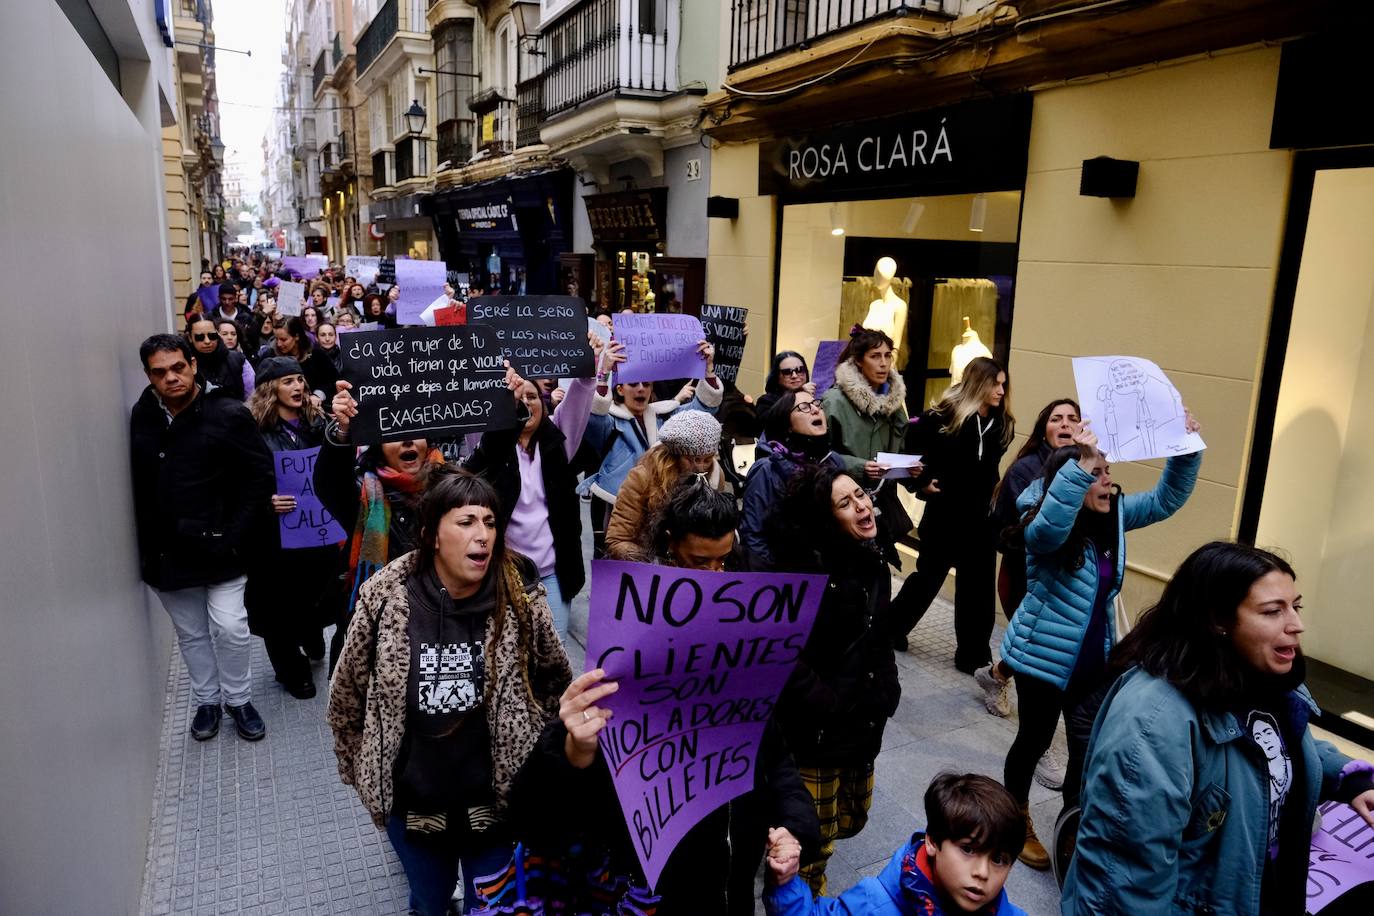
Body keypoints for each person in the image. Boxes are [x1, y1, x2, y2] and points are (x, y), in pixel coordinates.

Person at [495, 480, 820, 915]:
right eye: (699, 562)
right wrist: (572, 751)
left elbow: (775, 758)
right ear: (669, 548)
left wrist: (794, 829)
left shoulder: (740, 654)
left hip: (729, 893)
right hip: (647, 898)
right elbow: (532, 817)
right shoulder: (624, 658)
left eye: (724, 561)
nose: (714, 577)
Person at [1062, 542, 1374, 915]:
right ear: (1217, 620)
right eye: (1273, 611)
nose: (1296, 624)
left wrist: (1349, 778)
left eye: (1296, 606)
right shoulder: (1152, 723)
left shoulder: (1264, 676)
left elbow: (1272, 745)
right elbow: (1123, 891)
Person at [327, 469, 573, 916]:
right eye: (466, 522)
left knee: (493, 906)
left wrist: (537, 762)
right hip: (415, 811)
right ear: (432, 536)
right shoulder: (384, 599)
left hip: (495, 810)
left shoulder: (521, 602)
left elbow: (557, 683)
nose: (483, 535)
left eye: (491, 522)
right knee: (429, 902)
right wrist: (366, 774)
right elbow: (346, 698)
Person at [995, 419, 1201, 869]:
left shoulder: (1116, 518)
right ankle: (1016, 819)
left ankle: (1073, 826)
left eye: (1108, 470)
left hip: (1095, 664)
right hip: (1042, 659)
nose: (1108, 479)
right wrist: (1083, 465)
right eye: (1098, 473)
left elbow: (1167, 499)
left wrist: (1184, 445)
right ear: (1072, 480)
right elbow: (1048, 531)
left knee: (1086, 754)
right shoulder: (1042, 518)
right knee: (1033, 741)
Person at [130, 334, 273, 741]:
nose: (171, 378)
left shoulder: (227, 412)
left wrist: (234, 536)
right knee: (191, 634)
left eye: (178, 367)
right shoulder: (144, 414)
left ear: (193, 364)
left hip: (222, 547)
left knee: (230, 627)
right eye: (160, 372)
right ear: (149, 376)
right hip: (169, 553)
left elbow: (259, 477)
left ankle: (239, 699)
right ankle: (208, 702)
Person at [767, 465, 902, 894]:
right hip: (816, 736)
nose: (863, 506)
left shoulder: (873, 559)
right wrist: (828, 701)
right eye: (846, 503)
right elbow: (783, 655)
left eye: (861, 495)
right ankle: (803, 895)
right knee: (813, 843)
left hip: (862, 726)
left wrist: (887, 690)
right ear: (825, 519)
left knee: (852, 819)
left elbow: (878, 635)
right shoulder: (797, 573)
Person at [461, 341, 620, 638]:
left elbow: (582, 394)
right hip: (501, 575)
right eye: (520, 398)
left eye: (533, 397)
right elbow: (477, 419)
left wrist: (590, 364)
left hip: (552, 575)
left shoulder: (559, 444)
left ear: (545, 405)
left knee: (552, 663)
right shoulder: (491, 450)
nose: (527, 403)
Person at [765, 772, 1027, 915]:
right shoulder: (872, 905)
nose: (982, 873)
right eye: (968, 849)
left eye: (998, 859)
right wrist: (786, 883)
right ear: (933, 841)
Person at [893, 357, 1015, 665]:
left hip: (981, 519)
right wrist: (919, 481)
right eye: (995, 383)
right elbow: (907, 448)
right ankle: (890, 629)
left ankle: (972, 654)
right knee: (927, 579)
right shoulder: (943, 415)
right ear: (979, 383)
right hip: (945, 513)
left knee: (978, 589)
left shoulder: (1002, 423)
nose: (1001, 390)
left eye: (1004, 384)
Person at [974, 398, 1081, 719]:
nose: (1064, 424)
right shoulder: (1027, 470)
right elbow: (1013, 529)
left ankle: (996, 675)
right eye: (1056, 418)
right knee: (1037, 646)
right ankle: (1039, 739)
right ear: (1043, 429)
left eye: (1072, 418)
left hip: (1065, 576)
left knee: (1036, 643)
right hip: (1022, 572)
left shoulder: (1089, 468)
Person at [244, 357, 339, 698]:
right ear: (270, 389)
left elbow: (338, 462)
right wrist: (266, 501)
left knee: (315, 594)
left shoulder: (317, 421)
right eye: (288, 381)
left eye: (300, 380)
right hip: (275, 538)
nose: (298, 386)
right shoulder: (252, 430)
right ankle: (291, 670)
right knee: (278, 605)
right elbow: (239, 480)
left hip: (316, 531)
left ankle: (310, 633)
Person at [579, 340, 721, 556]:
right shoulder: (611, 422)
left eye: (646, 384)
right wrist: (604, 373)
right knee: (620, 558)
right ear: (620, 388)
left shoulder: (667, 416)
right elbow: (593, 417)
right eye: (634, 384)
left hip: (667, 507)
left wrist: (708, 368)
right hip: (620, 506)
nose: (641, 389)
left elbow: (702, 412)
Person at [820, 326, 918, 553]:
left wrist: (912, 473)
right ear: (859, 362)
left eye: (887, 356)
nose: (883, 363)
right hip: (842, 508)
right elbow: (818, 457)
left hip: (881, 507)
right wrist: (860, 467)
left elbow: (896, 452)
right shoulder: (834, 401)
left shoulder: (894, 405)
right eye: (875, 356)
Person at [604, 408, 726, 562]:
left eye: (707, 459)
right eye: (692, 459)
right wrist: (655, 564)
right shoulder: (643, 477)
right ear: (676, 455)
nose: (701, 467)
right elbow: (617, 540)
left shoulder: (715, 475)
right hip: (653, 570)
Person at [741, 389, 839, 570]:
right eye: (803, 407)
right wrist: (774, 584)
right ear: (787, 425)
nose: (816, 410)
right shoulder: (767, 470)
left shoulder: (834, 462)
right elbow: (754, 536)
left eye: (817, 404)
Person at [186, 316, 252, 401]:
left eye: (212, 335)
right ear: (190, 338)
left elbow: (250, 397)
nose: (207, 341)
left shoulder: (237, 359)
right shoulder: (184, 363)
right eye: (200, 337)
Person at [757, 350, 815, 421]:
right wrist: (797, 394)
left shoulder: (814, 396)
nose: (794, 375)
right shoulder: (766, 401)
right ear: (777, 377)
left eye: (799, 370)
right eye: (787, 372)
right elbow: (769, 423)